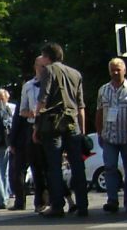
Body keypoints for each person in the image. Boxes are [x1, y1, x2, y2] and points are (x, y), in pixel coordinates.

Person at [35, 41, 88, 217]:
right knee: (77, 165)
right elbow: (81, 106)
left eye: (43, 56)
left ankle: (57, 206)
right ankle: (83, 204)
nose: (41, 59)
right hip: (73, 122)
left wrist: (36, 125)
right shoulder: (76, 74)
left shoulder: (48, 70)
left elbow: (43, 99)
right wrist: (83, 130)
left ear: (48, 56)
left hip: (53, 122)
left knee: (54, 166)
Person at [95, 57, 127, 213]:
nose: (115, 72)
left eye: (118, 69)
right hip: (109, 137)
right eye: (112, 70)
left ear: (124, 70)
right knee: (110, 169)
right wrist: (99, 132)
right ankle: (112, 200)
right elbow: (99, 112)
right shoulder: (103, 90)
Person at [15, 56, 48, 212]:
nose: (43, 70)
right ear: (35, 67)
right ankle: (39, 201)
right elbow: (22, 110)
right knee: (36, 167)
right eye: (41, 66)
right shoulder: (28, 86)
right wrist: (31, 114)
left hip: (50, 127)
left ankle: (54, 198)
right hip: (33, 127)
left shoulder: (53, 83)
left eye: (46, 66)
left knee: (51, 166)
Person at [0, 89, 15, 200]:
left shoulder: (12, 108)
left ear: (7, 98)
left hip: (9, 140)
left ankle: (8, 191)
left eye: (2, 98)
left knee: (8, 168)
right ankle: (4, 192)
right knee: (1, 168)